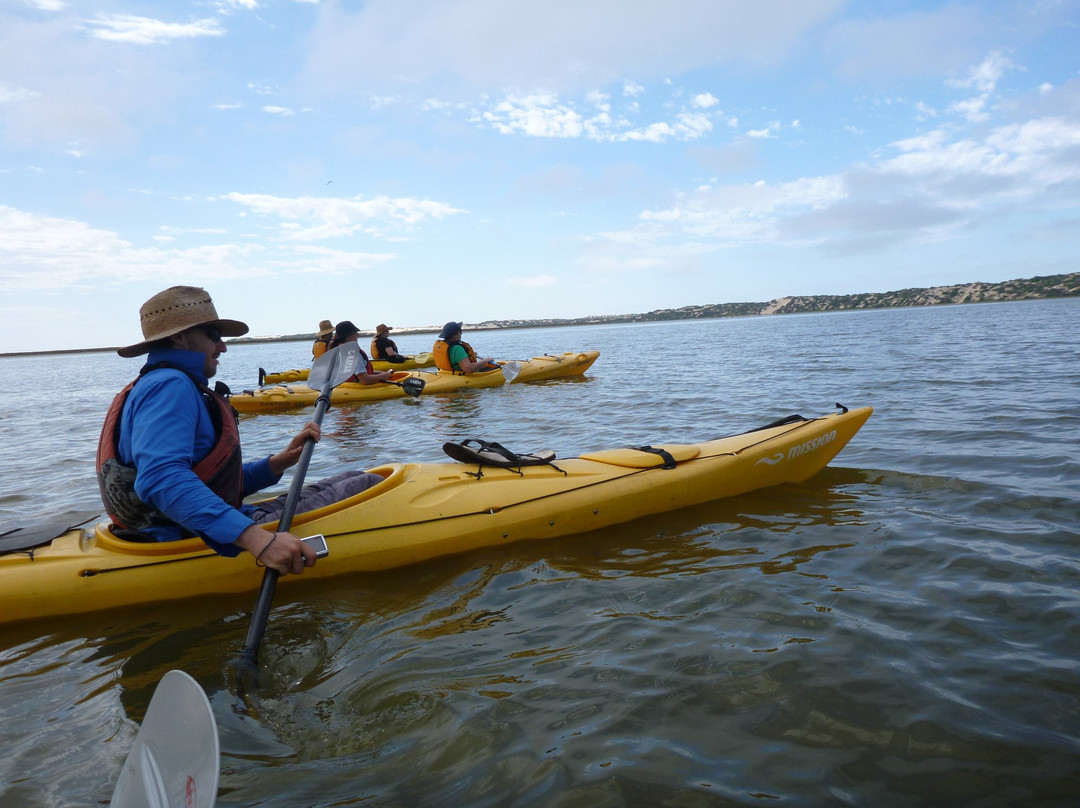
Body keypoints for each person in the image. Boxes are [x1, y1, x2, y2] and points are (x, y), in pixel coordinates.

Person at [97, 286, 382, 576]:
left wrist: (277, 463)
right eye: (213, 335)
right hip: (184, 537)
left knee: (354, 475)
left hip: (186, 524)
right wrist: (258, 540)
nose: (222, 347)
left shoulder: (158, 382)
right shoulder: (171, 386)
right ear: (180, 337)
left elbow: (207, 481)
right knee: (367, 483)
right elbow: (161, 478)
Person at [328, 320, 394, 383]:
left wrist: (374, 372)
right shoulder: (354, 354)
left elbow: (356, 373)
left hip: (345, 385)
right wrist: (382, 376)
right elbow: (365, 380)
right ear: (348, 335)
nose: (358, 335)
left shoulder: (339, 350)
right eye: (355, 333)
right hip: (358, 386)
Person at [432, 321, 500, 374]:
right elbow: (468, 368)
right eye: (460, 332)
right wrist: (486, 360)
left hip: (447, 373)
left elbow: (454, 358)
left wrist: (468, 355)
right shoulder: (457, 349)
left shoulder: (443, 345)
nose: (461, 334)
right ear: (455, 334)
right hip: (462, 375)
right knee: (497, 367)